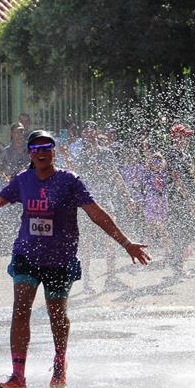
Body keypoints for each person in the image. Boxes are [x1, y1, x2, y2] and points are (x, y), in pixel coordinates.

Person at [0, 130, 150, 388]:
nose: (42, 151)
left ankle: (59, 362)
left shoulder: (69, 181)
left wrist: (126, 243)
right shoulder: (22, 181)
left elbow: (96, 213)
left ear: (55, 151)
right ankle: (18, 377)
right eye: (36, 148)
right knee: (20, 309)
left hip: (60, 258)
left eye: (47, 146)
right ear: (30, 154)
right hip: (27, 254)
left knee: (56, 315)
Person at [72, 121, 132, 292]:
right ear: (84, 135)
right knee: (87, 242)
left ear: (97, 132)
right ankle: (86, 281)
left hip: (106, 201)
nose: (89, 133)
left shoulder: (107, 153)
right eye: (86, 131)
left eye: (92, 130)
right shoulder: (82, 155)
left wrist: (128, 197)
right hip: (88, 204)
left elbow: (116, 175)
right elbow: (75, 177)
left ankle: (111, 279)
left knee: (111, 239)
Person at [163, 123, 195, 277]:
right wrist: (189, 199)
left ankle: (179, 263)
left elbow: (190, 176)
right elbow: (176, 178)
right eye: (185, 136)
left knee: (186, 229)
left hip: (186, 196)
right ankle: (177, 264)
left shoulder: (185, 154)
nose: (187, 139)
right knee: (180, 230)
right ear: (176, 138)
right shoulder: (172, 153)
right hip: (177, 197)